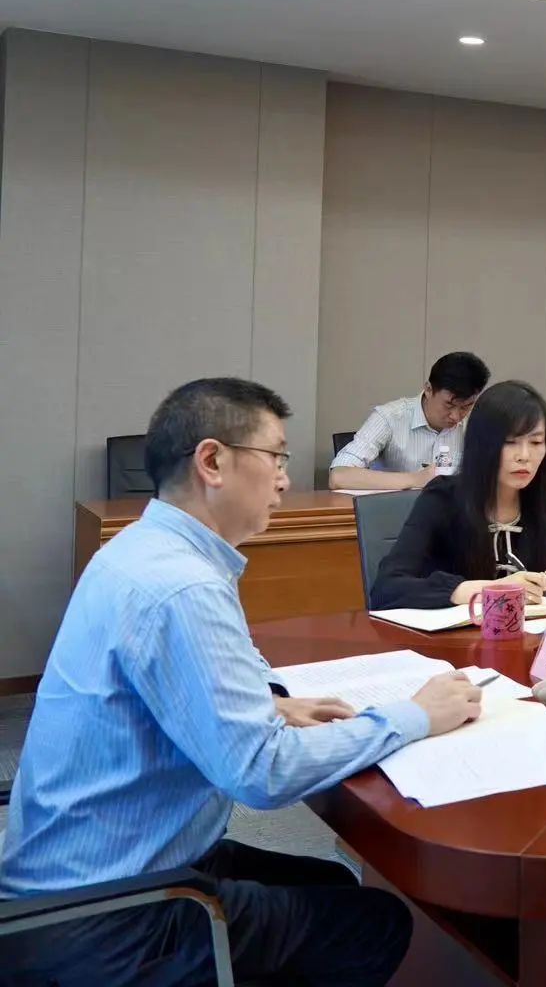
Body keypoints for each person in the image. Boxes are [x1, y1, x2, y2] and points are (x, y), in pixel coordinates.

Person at [0, 378, 482, 987]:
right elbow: (262, 773)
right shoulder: (183, 586)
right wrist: (415, 716)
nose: (284, 478)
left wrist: (275, 703)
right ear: (212, 461)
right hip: (107, 916)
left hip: (79, 873)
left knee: (332, 882)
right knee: (373, 924)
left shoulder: (146, 547)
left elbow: (204, 675)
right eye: (275, 456)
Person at [370, 381, 546, 609]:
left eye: (536, 442)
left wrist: (545, 581)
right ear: (482, 445)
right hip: (456, 641)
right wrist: (489, 590)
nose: (524, 456)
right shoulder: (443, 497)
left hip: (526, 637)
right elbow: (387, 588)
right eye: (510, 442)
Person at [328, 350, 489, 490]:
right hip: (398, 511)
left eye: (465, 407)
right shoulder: (390, 417)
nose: (456, 416)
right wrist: (416, 479)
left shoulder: (476, 422)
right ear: (428, 389)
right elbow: (339, 476)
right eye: (449, 405)